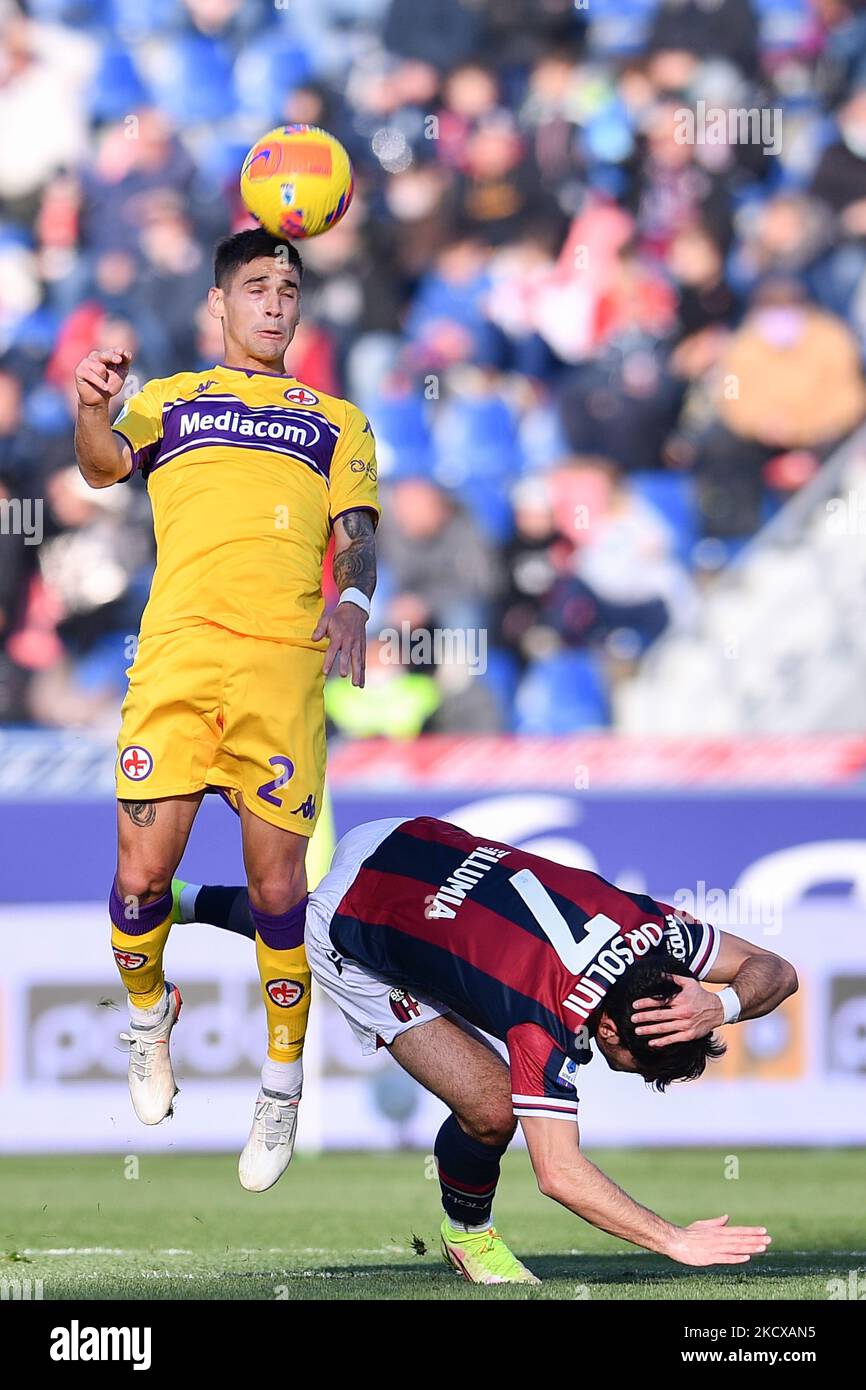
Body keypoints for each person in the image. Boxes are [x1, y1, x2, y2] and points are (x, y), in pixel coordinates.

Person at [72, 227, 380, 1192]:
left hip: (279, 669)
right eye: (256, 286)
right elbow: (100, 468)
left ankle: (280, 1083)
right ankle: (147, 1016)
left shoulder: (338, 419)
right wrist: (91, 408)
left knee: (281, 892)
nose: (275, 302)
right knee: (138, 876)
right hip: (175, 660)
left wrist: (354, 603)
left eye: (289, 287)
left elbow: (358, 535)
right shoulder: (168, 400)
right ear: (219, 304)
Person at [173, 814, 796, 1282]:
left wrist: (722, 1004)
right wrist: (674, 1240)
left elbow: (776, 969)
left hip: (403, 837)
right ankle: (467, 1234)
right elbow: (559, 1174)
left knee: (384, 935)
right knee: (494, 1106)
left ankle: (186, 898)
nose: (635, 1075)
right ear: (608, 1031)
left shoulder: (659, 930)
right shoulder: (545, 1021)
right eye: (639, 1066)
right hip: (351, 922)